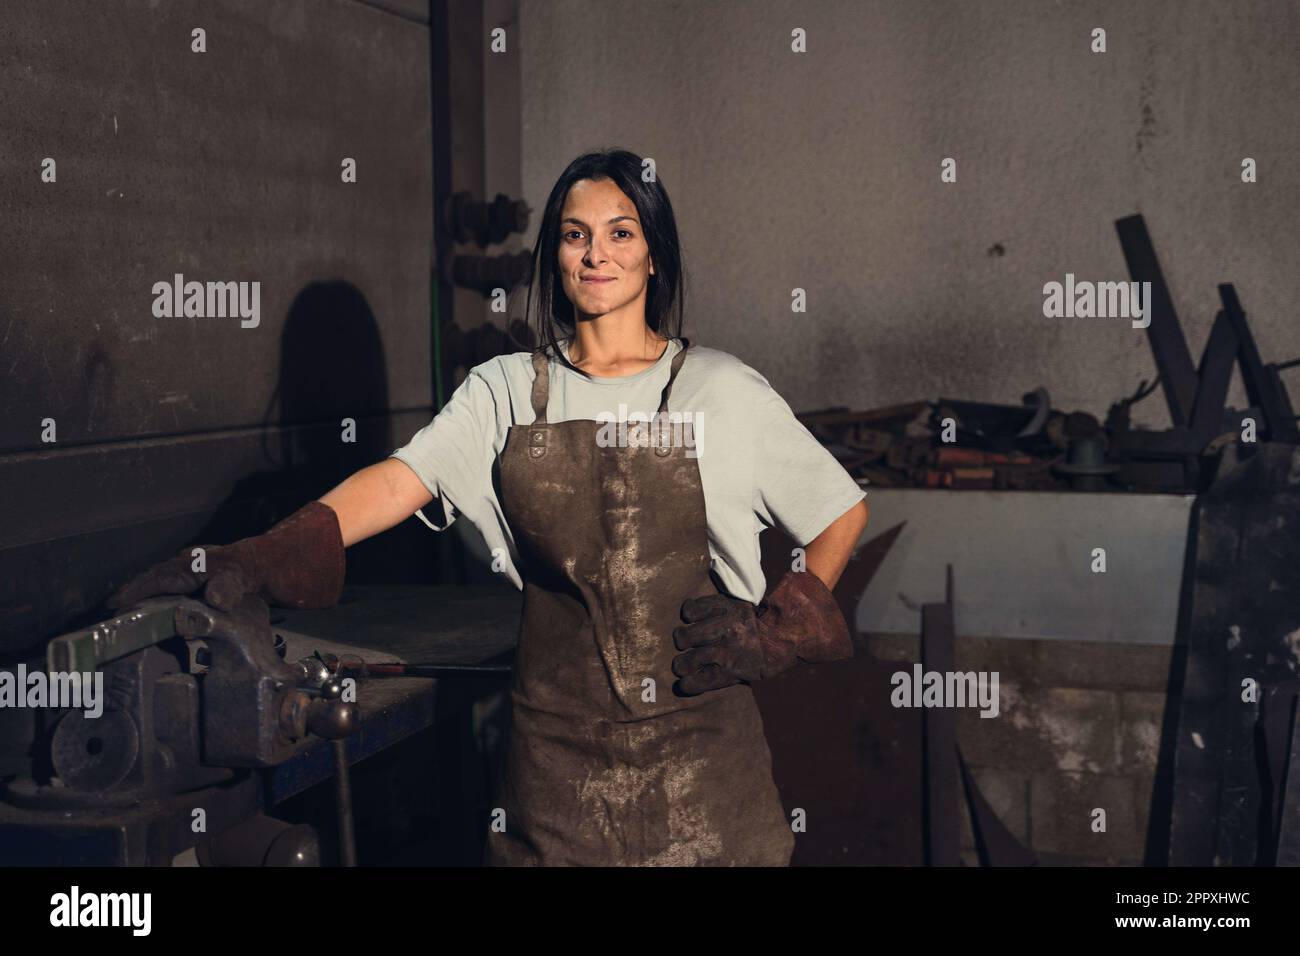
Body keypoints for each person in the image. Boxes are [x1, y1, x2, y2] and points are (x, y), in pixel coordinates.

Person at [111, 148, 870, 866]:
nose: (596, 253)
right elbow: (399, 479)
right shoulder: (506, 390)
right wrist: (266, 553)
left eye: (620, 232)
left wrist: (782, 630)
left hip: (708, 776)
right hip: (555, 777)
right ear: (554, 255)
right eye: (576, 235)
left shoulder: (720, 388)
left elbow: (839, 512)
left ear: (654, 256)